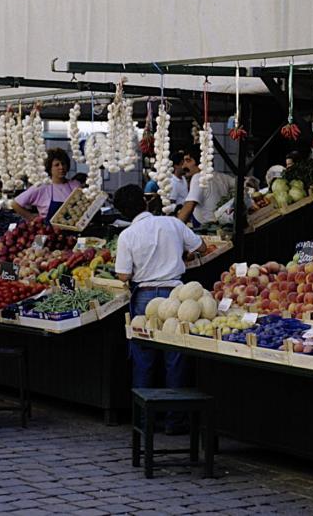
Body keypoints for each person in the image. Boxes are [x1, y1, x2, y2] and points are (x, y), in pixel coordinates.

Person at [114, 184, 206, 434]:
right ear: (145, 203)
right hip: (176, 297)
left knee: (143, 359)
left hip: (144, 297)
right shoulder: (173, 223)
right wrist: (180, 255)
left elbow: (123, 274)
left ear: (123, 212)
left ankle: (144, 421)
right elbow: (201, 247)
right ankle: (175, 422)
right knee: (174, 358)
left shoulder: (127, 235)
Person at [12, 148, 80, 220]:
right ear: (49, 168)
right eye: (57, 165)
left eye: (63, 164)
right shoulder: (42, 187)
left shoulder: (75, 185)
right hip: (49, 230)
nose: (61, 167)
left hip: (74, 230)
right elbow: (15, 204)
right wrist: (33, 218)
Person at [176, 150, 236, 227]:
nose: (184, 166)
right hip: (221, 228)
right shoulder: (223, 177)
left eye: (188, 161)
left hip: (206, 229)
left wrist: (175, 228)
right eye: (184, 161)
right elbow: (246, 182)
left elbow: (189, 206)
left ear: (200, 162)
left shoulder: (198, 177)